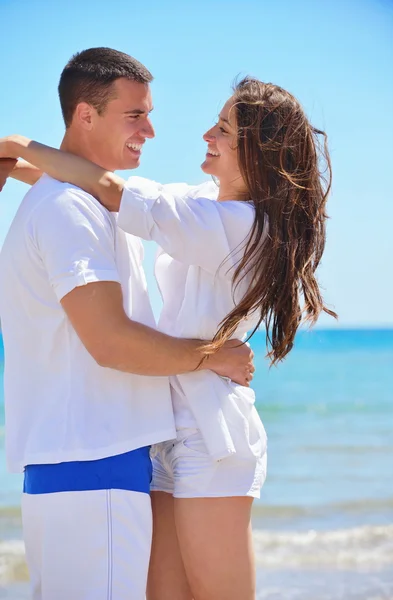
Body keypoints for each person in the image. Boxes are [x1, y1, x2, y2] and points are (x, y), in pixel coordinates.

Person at [1, 77, 336, 600]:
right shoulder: (205, 203)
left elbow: (112, 190)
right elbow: (99, 187)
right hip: (164, 428)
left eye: (223, 129)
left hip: (211, 436)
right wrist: (24, 172)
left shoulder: (240, 225)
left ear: (256, 149)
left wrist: (19, 145)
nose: (208, 133)